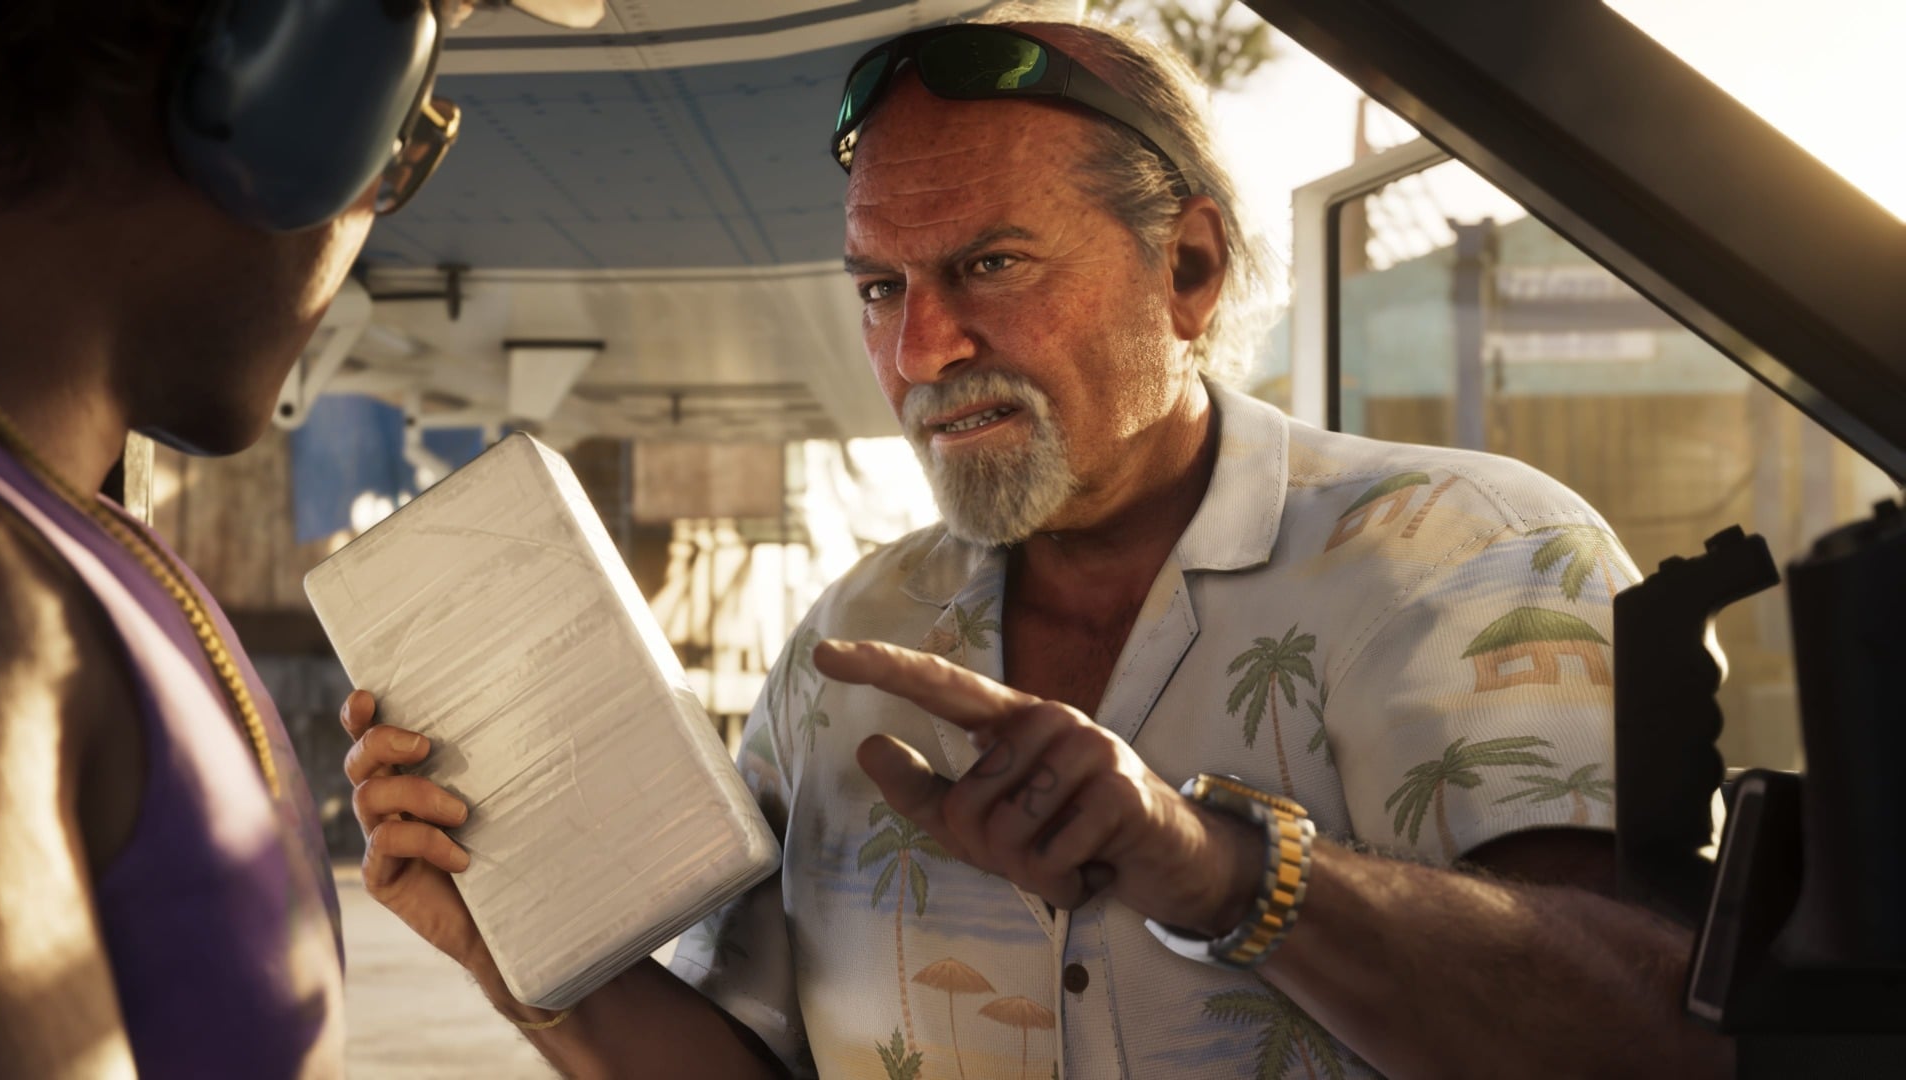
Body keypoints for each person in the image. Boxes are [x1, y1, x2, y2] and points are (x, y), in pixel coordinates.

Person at [341, 14, 1735, 1079]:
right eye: (879, 286)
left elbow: (1653, 1033)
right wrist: (519, 955)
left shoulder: (1470, 553)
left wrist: (1216, 867)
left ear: (1188, 267)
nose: (920, 349)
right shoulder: (843, 652)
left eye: (990, 266)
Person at [0, 0, 597, 1074]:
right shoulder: (7, 615)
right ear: (297, 95)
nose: (375, 210)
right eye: (405, 138)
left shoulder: (65, 549)